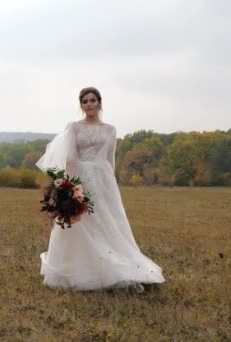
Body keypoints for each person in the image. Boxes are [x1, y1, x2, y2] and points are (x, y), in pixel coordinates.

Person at [36, 86, 165, 292]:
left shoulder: (110, 129)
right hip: (79, 177)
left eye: (92, 100)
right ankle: (77, 269)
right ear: (81, 105)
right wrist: (66, 185)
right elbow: (70, 158)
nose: (89, 104)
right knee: (79, 221)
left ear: (99, 103)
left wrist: (109, 185)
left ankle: (115, 267)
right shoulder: (74, 127)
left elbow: (109, 158)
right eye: (85, 101)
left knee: (106, 221)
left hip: (102, 178)